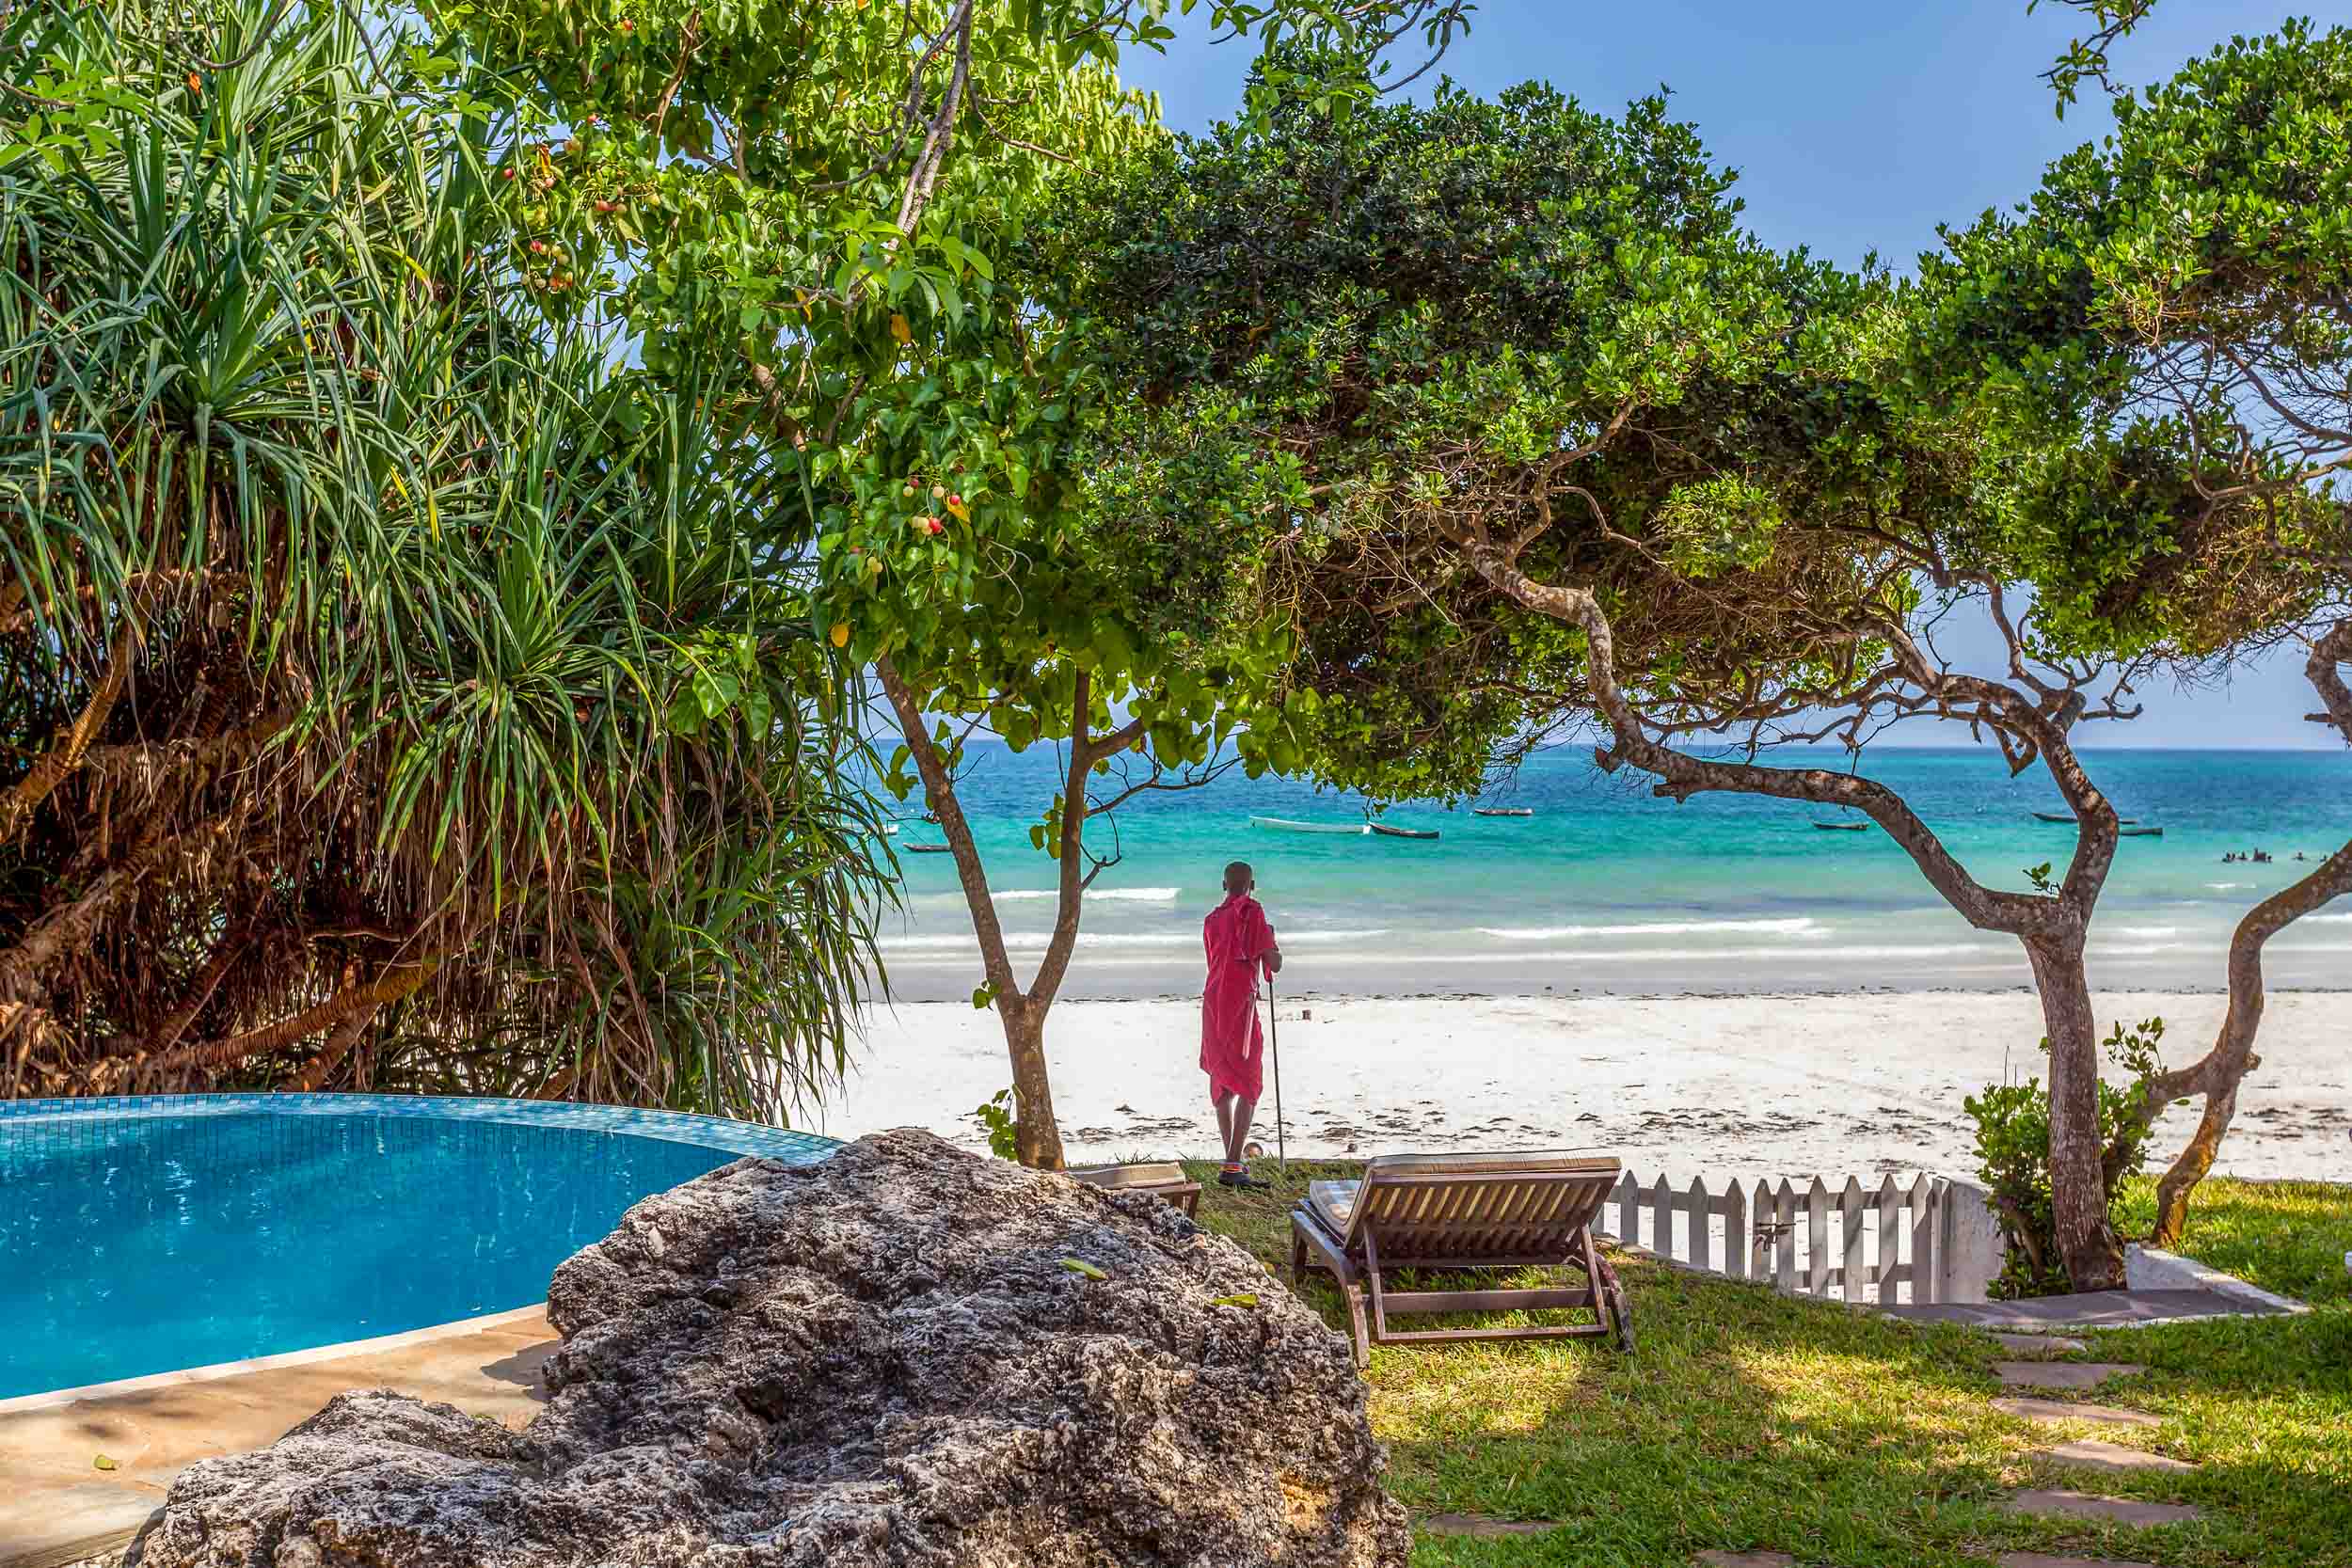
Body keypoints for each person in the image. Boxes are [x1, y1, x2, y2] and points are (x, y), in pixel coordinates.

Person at [1200, 860, 1281, 1191]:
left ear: (1224, 886)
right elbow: (1273, 962)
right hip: (1239, 1004)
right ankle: (1233, 1164)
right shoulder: (1252, 910)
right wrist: (1271, 941)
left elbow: (1214, 960)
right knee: (1249, 1082)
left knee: (1223, 1080)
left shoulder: (1210, 921)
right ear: (1253, 885)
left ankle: (1232, 1160)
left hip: (1212, 1001)